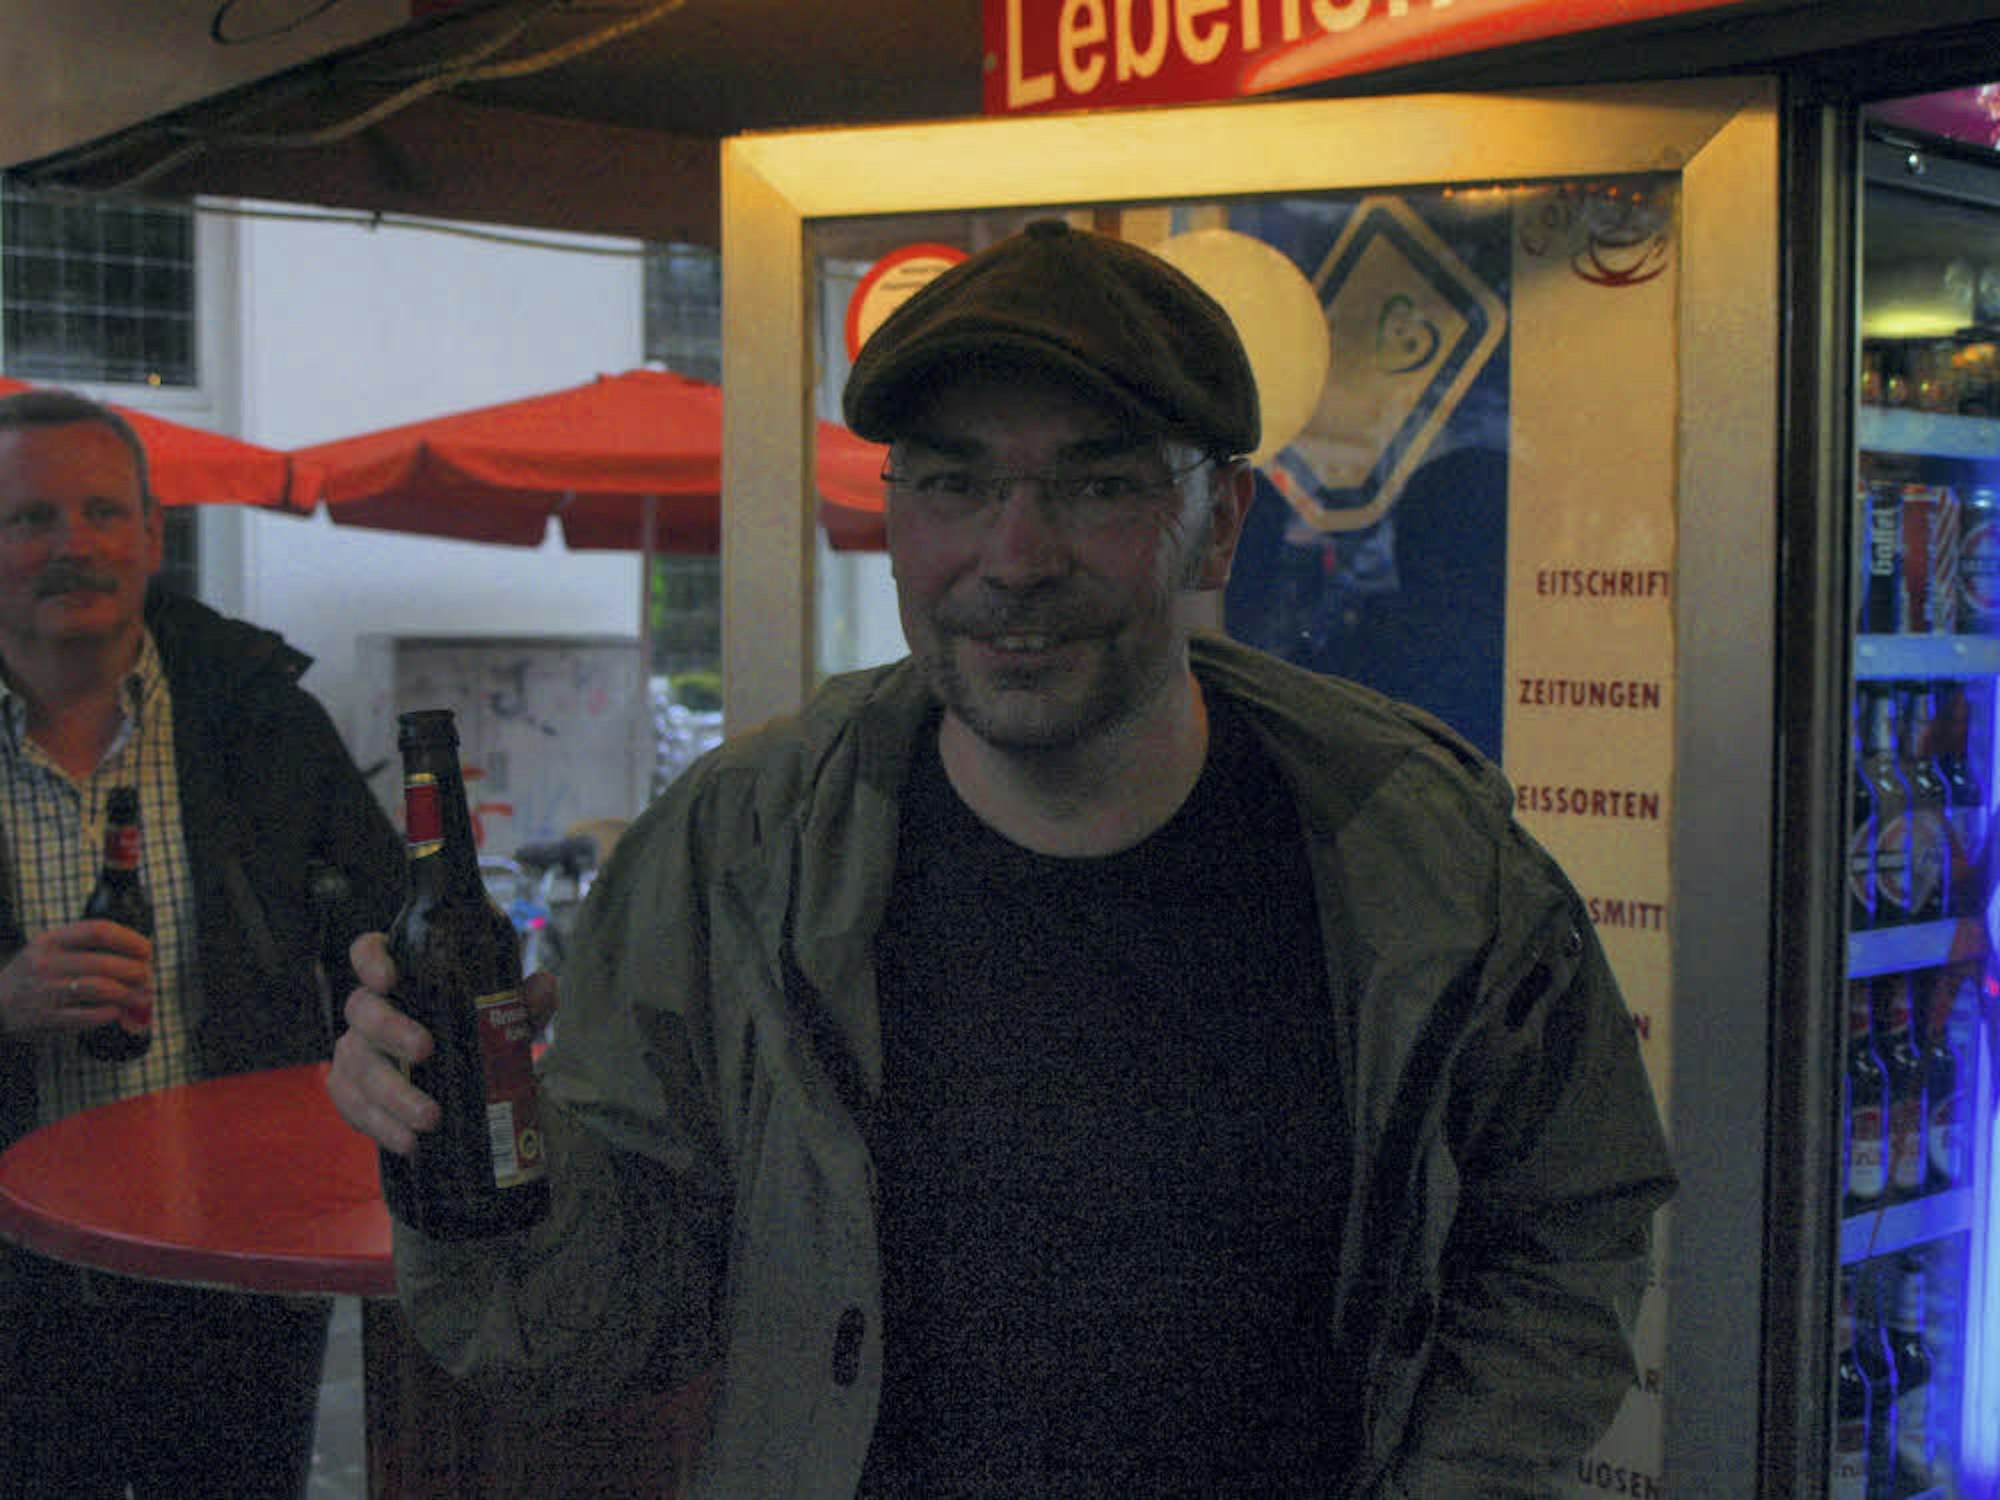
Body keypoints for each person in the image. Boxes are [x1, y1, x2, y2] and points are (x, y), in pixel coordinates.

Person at [330, 219, 1676, 1498]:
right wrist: (470, 1166)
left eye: (1098, 485)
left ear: (1218, 523)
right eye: (954, 483)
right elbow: (595, 1334)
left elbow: (1569, 1229)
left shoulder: (1420, 855)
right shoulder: (736, 857)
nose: (1014, 556)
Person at [0, 388, 405, 1499]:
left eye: (102, 513)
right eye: (31, 518)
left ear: (151, 534)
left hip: (229, 1269)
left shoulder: (258, 715)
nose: (73, 546)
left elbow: (386, 932)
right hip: (15, 1287)